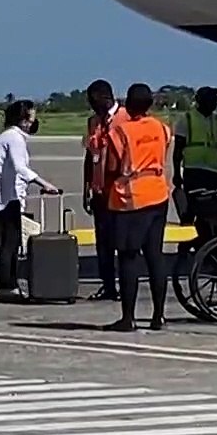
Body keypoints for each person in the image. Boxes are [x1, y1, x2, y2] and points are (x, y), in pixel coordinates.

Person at [103, 84, 171, 332]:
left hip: (131, 199)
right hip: (158, 193)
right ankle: (159, 316)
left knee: (129, 257)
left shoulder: (120, 132)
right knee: (155, 256)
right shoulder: (161, 128)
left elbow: (112, 166)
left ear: (128, 105)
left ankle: (128, 317)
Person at [0, 100, 61, 301]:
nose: (33, 122)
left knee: (8, 242)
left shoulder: (1, 138)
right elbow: (20, 167)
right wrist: (43, 183)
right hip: (10, 197)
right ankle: (8, 285)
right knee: (10, 243)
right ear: (22, 120)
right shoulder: (15, 139)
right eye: (30, 117)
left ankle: (8, 284)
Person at [83, 79, 123, 301]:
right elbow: (90, 155)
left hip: (120, 191)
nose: (91, 106)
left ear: (104, 97)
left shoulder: (124, 119)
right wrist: (86, 187)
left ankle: (125, 284)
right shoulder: (93, 122)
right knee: (103, 242)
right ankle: (108, 285)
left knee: (123, 240)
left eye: (93, 101)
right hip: (100, 191)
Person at [172, 87, 217, 199]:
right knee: (193, 205)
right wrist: (177, 173)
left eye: (215, 100)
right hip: (193, 171)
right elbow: (178, 149)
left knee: (209, 207)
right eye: (211, 99)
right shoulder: (186, 119)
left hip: (212, 171)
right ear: (200, 100)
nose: (215, 103)